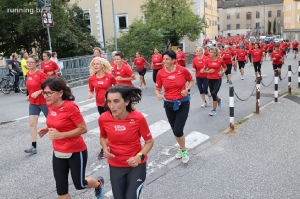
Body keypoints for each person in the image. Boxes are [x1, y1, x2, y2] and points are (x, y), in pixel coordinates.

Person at [38, 77, 105, 199]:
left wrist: (60, 135)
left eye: (49, 93)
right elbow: (58, 121)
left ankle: (98, 183)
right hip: (58, 152)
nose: (46, 96)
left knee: (80, 185)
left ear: (60, 92)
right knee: (61, 190)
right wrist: (47, 128)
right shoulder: (50, 105)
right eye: (44, 92)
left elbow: (83, 129)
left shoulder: (70, 107)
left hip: (75, 151)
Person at [99, 85, 154, 199]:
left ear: (126, 102)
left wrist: (139, 156)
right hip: (115, 165)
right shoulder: (104, 118)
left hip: (136, 166)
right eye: (109, 102)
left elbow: (149, 142)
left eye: (116, 101)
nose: (112, 106)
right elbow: (103, 137)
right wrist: (105, 148)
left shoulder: (138, 118)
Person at [155, 49, 194, 163]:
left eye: (167, 59)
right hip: (169, 104)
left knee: (178, 130)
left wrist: (187, 89)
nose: (164, 61)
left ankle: (183, 150)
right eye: (163, 59)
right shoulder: (160, 73)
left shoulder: (182, 70)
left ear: (173, 60)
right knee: (175, 130)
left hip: (183, 103)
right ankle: (181, 148)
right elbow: (157, 88)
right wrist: (158, 95)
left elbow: (191, 80)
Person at [88, 57, 117, 159]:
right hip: (100, 105)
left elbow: (117, 87)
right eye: (94, 64)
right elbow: (91, 89)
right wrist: (90, 94)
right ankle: (106, 147)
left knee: (111, 125)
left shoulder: (109, 77)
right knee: (104, 126)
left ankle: (109, 147)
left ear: (102, 65)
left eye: (97, 64)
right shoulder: (91, 78)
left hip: (110, 104)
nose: (95, 66)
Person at [24, 54, 48, 154]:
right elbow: (29, 86)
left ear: (36, 63)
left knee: (53, 123)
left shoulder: (41, 74)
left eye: (31, 62)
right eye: (28, 62)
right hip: (33, 103)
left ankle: (63, 140)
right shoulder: (28, 74)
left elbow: (48, 86)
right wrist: (28, 94)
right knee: (32, 124)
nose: (29, 64)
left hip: (44, 102)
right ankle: (33, 146)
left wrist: (39, 91)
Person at [201, 47, 226, 116]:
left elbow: (225, 67)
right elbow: (202, 70)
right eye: (210, 52)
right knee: (212, 94)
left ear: (215, 54)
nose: (210, 53)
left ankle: (213, 110)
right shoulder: (207, 61)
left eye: (211, 52)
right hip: (209, 79)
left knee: (214, 93)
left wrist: (222, 72)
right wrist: (208, 71)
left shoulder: (220, 60)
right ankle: (219, 100)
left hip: (217, 79)